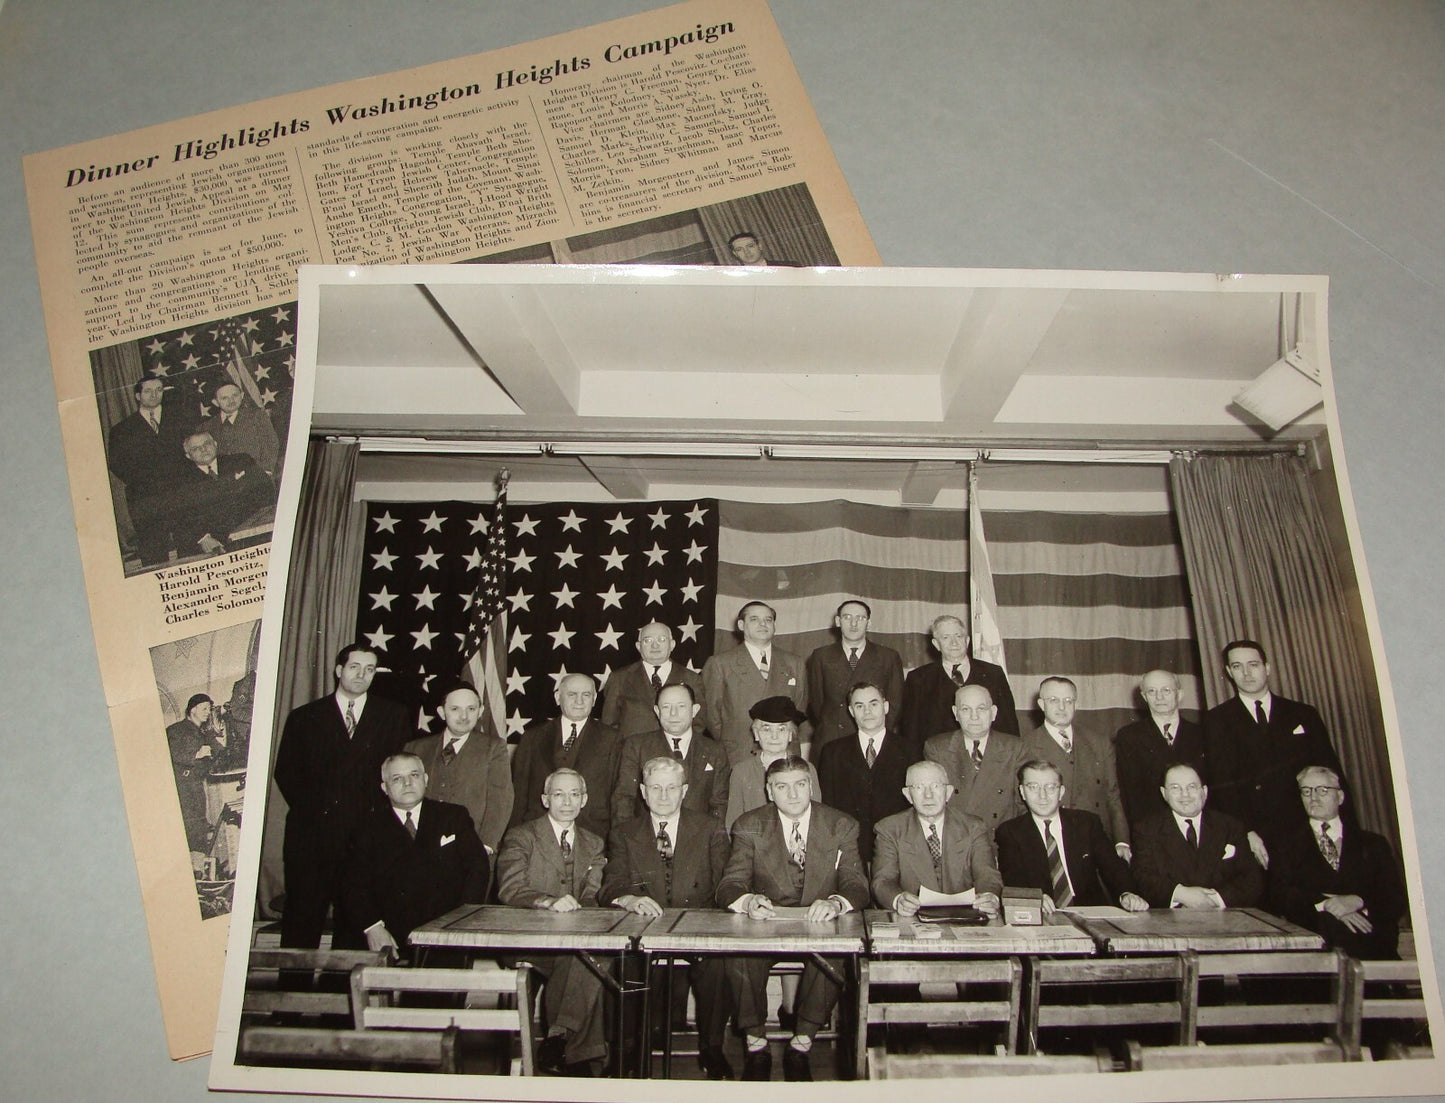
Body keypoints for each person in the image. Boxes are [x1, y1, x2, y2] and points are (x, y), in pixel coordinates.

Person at [717, 755, 870, 1081]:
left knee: (835, 955)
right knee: (739, 955)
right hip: (767, 923)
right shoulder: (750, 824)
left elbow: (856, 884)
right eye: (782, 787)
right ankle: (756, 1045)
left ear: (810, 786)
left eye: (800, 785)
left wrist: (836, 902)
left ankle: (801, 1045)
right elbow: (730, 884)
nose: (793, 794)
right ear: (769, 791)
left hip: (820, 923)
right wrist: (748, 901)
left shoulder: (840, 824)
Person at [601, 757, 733, 1079]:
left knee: (719, 964)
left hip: (697, 925)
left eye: (671, 788)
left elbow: (726, 882)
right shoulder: (623, 832)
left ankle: (712, 1049)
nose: (663, 796)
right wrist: (630, 899)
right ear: (643, 792)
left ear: (684, 791)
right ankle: (627, 1052)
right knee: (626, 964)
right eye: (656, 788)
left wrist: (709, 925)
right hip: (645, 929)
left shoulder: (710, 828)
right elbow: (611, 884)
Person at [272, 644, 413, 948]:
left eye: (370, 669)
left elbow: (396, 774)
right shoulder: (304, 717)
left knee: (357, 924)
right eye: (355, 667)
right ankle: (293, 992)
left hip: (365, 838)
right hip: (312, 838)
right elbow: (286, 773)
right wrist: (322, 815)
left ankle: (342, 992)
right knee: (302, 921)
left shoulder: (393, 715)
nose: (362, 675)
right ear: (339, 670)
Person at [496, 768, 610, 1075]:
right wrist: (548, 902)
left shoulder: (595, 843)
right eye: (558, 794)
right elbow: (510, 888)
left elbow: (592, 894)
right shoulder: (522, 835)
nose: (567, 802)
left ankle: (561, 1039)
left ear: (584, 800)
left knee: (593, 956)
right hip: (530, 942)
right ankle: (580, 1054)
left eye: (575, 794)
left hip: (573, 942)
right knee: (586, 961)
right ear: (545, 799)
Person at [1203, 639, 1343, 869]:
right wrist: (1245, 831)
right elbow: (1221, 784)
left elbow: (1331, 773)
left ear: (1267, 668)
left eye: (1253, 665)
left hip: (1306, 827)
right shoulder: (1216, 720)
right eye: (1237, 666)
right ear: (1229, 672)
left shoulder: (1303, 714)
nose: (1247, 673)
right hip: (1256, 835)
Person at [336, 752, 488, 956]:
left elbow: (478, 867)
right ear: (384, 787)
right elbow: (352, 883)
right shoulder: (366, 827)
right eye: (397, 778)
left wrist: (461, 920)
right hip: (388, 933)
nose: (407, 783)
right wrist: (373, 927)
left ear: (425, 780)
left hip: (445, 932)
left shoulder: (453, 816)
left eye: (414, 775)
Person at [1268, 766, 1405, 960]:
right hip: (1317, 949)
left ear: (1340, 797)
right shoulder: (1284, 845)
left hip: (1372, 944)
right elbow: (1280, 894)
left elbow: (1395, 898)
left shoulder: (1373, 843)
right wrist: (1329, 905)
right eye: (1306, 791)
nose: (1313, 797)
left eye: (1322, 790)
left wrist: (1358, 901)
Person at [995, 761, 1148, 913]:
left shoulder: (1086, 823)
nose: (1043, 795)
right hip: (1044, 914)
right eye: (1033, 787)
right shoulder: (1010, 832)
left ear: (1061, 792)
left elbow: (1113, 866)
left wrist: (1126, 893)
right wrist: (1034, 898)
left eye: (1050, 787)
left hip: (1090, 913)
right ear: (1022, 792)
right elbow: (1013, 879)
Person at [871, 760, 1002, 917]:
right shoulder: (890, 829)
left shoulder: (973, 827)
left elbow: (987, 874)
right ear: (908, 795)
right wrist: (898, 899)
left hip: (965, 917)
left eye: (935, 786)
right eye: (919, 787)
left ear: (948, 792)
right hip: (913, 918)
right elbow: (883, 881)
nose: (928, 795)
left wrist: (989, 896)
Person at [1022, 676, 1130, 858]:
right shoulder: (1026, 745)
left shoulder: (1099, 743)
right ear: (1041, 704)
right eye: (1054, 700)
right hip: (1051, 843)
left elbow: (1113, 795)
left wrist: (1121, 841)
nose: (1062, 707)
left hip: (1097, 840)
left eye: (1068, 700)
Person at [1131, 763, 1264, 910]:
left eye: (1192, 787)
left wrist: (1214, 900)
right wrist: (1182, 895)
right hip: (1171, 922)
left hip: (1224, 919)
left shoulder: (1230, 826)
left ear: (1204, 792)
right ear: (1164, 794)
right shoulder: (1147, 830)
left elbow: (1251, 879)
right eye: (1175, 788)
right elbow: (1144, 878)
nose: (1185, 794)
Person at [404, 682, 512, 856]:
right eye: (455, 709)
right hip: (421, 847)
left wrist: (485, 845)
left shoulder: (493, 748)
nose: (464, 716)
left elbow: (500, 800)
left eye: (471, 709)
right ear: (442, 712)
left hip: (471, 848)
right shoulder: (416, 749)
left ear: (480, 711)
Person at [510, 673, 620, 842]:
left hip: (594, 834)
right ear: (558, 697)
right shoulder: (532, 737)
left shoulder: (613, 739)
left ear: (594, 699)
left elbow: (617, 795)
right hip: (538, 837)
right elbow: (519, 795)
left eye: (586, 695)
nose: (579, 701)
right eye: (572, 694)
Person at [815, 682, 914, 865]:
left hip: (897, 850)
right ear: (851, 711)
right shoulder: (833, 752)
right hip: (850, 851)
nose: (867, 711)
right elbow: (828, 806)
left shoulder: (909, 750)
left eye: (873, 704)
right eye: (859, 706)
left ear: (885, 706)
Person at [702, 601, 808, 764]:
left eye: (768, 619)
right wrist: (734, 740)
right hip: (738, 753)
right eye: (754, 619)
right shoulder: (720, 663)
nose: (763, 624)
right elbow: (711, 715)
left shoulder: (794, 663)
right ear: (741, 625)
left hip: (784, 752)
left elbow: (799, 707)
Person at [612, 682, 729, 825]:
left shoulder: (714, 750)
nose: (673, 714)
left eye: (681, 706)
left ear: (694, 710)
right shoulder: (637, 746)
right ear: (657, 711)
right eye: (666, 707)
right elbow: (624, 799)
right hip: (646, 839)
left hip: (697, 840)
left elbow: (719, 804)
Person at [106, 374, 191, 566]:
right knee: (153, 554)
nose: (154, 395)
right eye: (148, 391)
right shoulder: (122, 430)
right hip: (145, 497)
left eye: (159, 390)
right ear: (137, 396)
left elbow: (192, 451)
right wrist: (148, 481)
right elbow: (117, 464)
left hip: (181, 491)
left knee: (190, 545)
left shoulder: (180, 418)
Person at [805, 599, 905, 756]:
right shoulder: (821, 656)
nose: (853, 623)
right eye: (847, 617)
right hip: (831, 739)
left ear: (869, 623)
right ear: (838, 621)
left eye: (860, 618)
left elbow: (895, 703)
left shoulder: (888, 657)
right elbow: (816, 703)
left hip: (873, 738)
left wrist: (874, 731)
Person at [923, 683, 1027, 831]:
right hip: (957, 838)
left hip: (1001, 838)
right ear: (956, 713)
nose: (974, 716)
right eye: (966, 709)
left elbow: (1023, 805)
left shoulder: (1015, 748)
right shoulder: (937, 748)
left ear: (993, 712)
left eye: (981, 709)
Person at [901, 613, 1018, 743]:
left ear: (967, 640)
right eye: (946, 637)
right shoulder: (919, 678)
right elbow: (910, 731)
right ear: (936, 644)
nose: (954, 643)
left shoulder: (993, 674)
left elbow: (1009, 724)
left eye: (958, 636)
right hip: (937, 759)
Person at [1115, 670, 1206, 831]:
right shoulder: (1128, 737)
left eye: (1166, 690)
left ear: (1179, 694)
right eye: (1152, 691)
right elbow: (1129, 794)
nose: (1159, 697)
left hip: (1198, 828)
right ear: (1144, 696)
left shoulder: (1201, 734)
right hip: (1152, 832)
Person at [172, 430, 274, 557]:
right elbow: (181, 517)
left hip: (253, 533)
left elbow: (267, 490)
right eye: (196, 448)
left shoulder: (241, 460)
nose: (203, 449)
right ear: (188, 455)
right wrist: (203, 539)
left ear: (215, 444)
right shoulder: (181, 482)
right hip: (214, 543)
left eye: (207, 444)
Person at [723, 695, 819, 830]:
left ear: (791, 734)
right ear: (756, 734)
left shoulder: (807, 769)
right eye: (766, 729)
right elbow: (733, 823)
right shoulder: (741, 772)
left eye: (782, 729)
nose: (774, 736)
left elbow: (816, 817)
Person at [600, 621, 707, 740]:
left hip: (676, 755)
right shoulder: (619, 678)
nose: (655, 646)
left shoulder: (692, 679)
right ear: (638, 646)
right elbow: (608, 725)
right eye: (648, 641)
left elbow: (699, 722)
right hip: (631, 755)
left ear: (672, 645)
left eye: (661, 640)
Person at [167, 693, 215, 861]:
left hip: (195, 786)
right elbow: (170, 752)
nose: (208, 712)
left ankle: (198, 869)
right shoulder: (175, 730)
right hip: (183, 787)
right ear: (193, 709)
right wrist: (196, 754)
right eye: (204, 708)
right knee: (189, 828)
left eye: (209, 709)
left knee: (198, 828)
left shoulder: (202, 733)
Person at [202, 381, 280, 476]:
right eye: (224, 398)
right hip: (225, 480)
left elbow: (270, 443)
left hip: (256, 474)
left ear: (242, 395)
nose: (231, 401)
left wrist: (265, 471)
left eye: (235, 395)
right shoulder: (207, 426)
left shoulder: (257, 416)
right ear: (215, 402)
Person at [726, 230, 797, 267]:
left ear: (759, 246)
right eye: (739, 249)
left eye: (750, 246)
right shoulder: (734, 280)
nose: (746, 252)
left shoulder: (790, 266)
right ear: (735, 253)